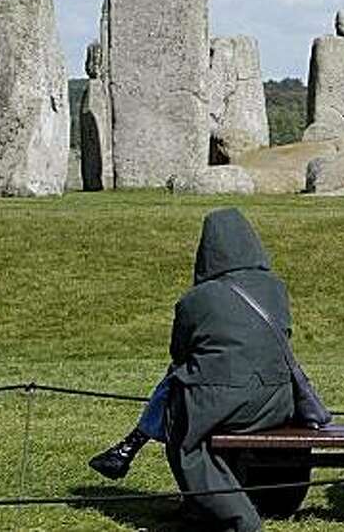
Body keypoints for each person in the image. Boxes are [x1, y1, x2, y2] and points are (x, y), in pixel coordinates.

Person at [89, 208, 330, 532]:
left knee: (189, 439)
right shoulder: (276, 289)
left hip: (222, 404)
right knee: (184, 386)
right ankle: (263, 498)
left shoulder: (195, 301)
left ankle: (236, 516)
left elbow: (179, 352)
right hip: (277, 400)